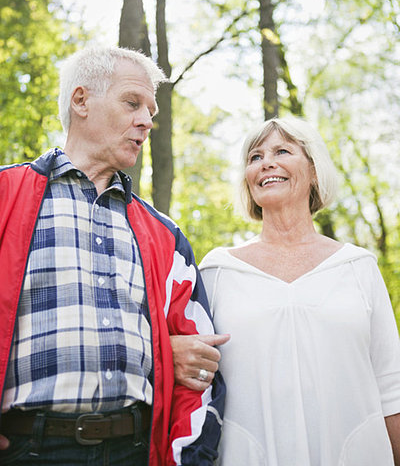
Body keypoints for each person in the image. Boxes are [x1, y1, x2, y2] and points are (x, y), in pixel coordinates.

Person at [0, 46, 227, 466]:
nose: (146, 121)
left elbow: (202, 368)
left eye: (151, 111)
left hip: (137, 450)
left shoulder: (165, 235)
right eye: (132, 103)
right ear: (81, 100)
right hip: (27, 450)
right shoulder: (5, 197)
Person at [197, 116, 400, 466]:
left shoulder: (357, 266)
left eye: (282, 151)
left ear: (315, 171)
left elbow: (391, 387)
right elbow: (193, 381)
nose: (266, 163)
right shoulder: (217, 271)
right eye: (255, 157)